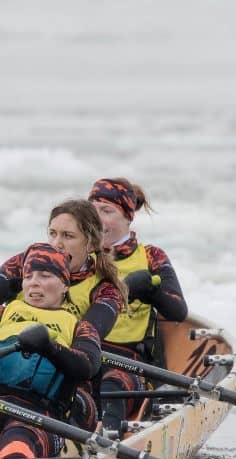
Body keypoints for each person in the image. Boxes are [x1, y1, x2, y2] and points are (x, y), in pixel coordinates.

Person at [0, 199, 125, 431]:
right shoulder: (25, 263)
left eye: (68, 236)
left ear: (91, 243)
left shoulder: (107, 289)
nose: (57, 244)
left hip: (66, 381)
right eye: (53, 234)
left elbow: (86, 342)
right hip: (7, 376)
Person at [0, 243, 102, 459]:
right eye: (29, 276)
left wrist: (49, 348)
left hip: (40, 415)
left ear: (64, 285)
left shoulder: (80, 327)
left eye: (45, 276)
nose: (34, 283)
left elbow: (88, 366)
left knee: (15, 451)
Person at [89, 177, 188, 432]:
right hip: (82, 354)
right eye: (92, 210)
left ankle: (108, 448)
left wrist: (148, 291)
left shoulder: (150, 257)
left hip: (127, 363)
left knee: (111, 384)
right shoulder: (75, 255)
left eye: (107, 211)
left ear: (128, 218)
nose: (97, 219)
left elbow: (177, 311)